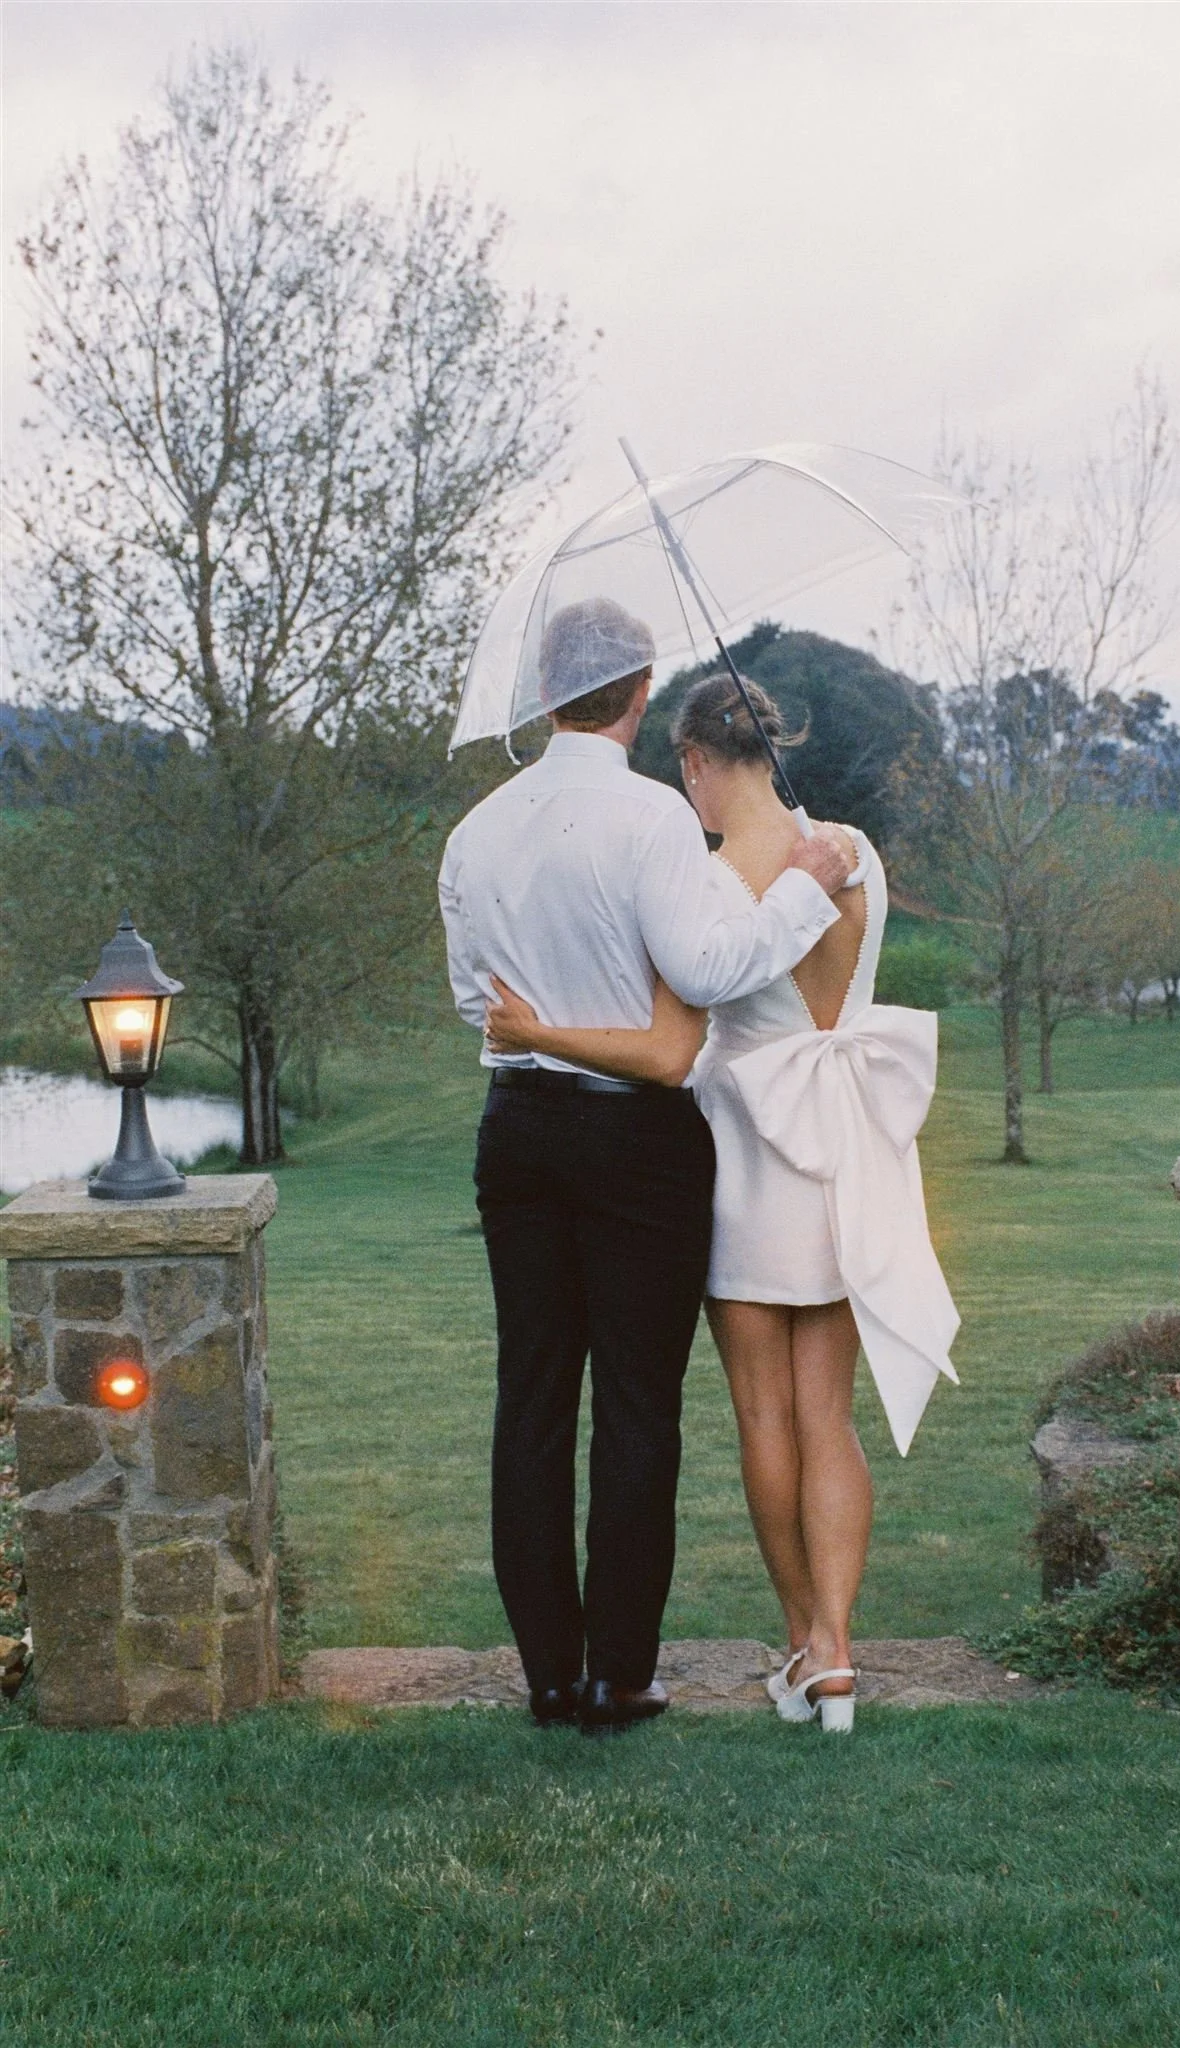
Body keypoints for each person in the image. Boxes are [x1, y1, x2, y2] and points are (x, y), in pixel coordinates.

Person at [485, 670, 960, 1733]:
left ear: (696, 762)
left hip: (749, 1151)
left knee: (762, 1413)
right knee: (825, 1416)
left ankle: (798, 1638)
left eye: (682, 773)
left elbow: (673, 1040)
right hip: (848, 1147)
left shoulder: (708, 878)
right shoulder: (848, 851)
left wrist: (532, 1033)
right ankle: (834, 1655)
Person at [438, 599, 854, 1735]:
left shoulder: (473, 831)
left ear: (544, 690)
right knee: (634, 1404)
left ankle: (546, 1675)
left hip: (515, 1127)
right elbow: (711, 964)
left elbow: (473, 1000)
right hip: (634, 1139)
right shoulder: (652, 818)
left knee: (528, 1398)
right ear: (637, 691)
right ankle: (618, 1676)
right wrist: (807, 881)